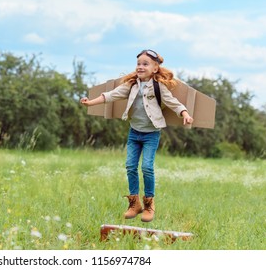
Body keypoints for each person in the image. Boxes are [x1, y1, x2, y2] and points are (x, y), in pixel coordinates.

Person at [80, 49, 193, 222]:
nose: (140, 67)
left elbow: (173, 102)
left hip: (151, 134)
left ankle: (149, 205)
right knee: (130, 166)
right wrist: (91, 103)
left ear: (155, 68)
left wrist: (184, 114)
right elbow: (111, 95)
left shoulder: (158, 87)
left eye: (145, 64)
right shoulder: (131, 85)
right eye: (138, 63)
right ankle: (134, 204)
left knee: (147, 167)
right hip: (134, 133)